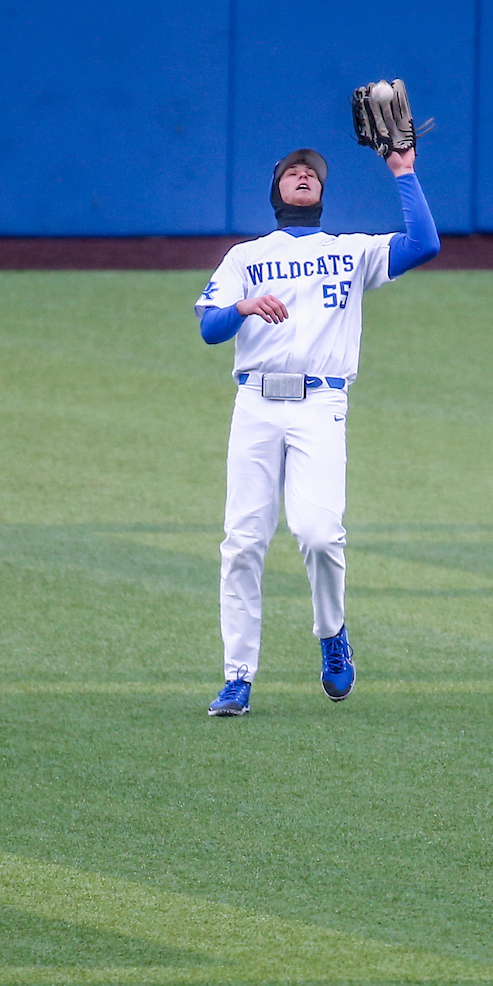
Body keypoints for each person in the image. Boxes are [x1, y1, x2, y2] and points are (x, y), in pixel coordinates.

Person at [195, 144, 440, 715]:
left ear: (322, 193)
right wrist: (244, 308)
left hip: (320, 406)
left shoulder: (349, 252)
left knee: (319, 534)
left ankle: (332, 636)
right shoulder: (245, 257)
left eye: (313, 173)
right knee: (243, 542)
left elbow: (425, 243)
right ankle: (238, 677)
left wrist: (403, 172)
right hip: (256, 404)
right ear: (276, 190)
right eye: (292, 171)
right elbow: (210, 328)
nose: (304, 175)